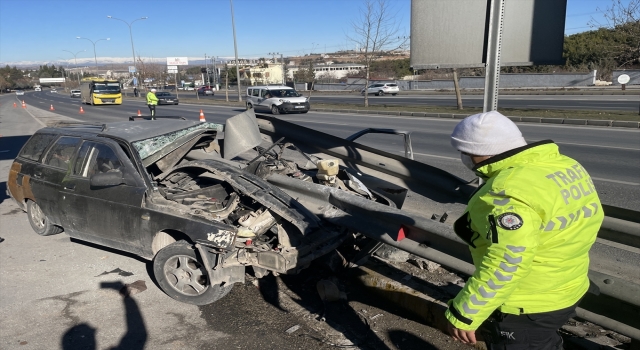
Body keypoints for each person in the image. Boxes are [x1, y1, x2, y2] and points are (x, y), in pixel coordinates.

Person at [445, 111, 604, 349]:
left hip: (528, 303)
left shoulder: (506, 193)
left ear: (476, 153)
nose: (463, 158)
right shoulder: (564, 165)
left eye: (463, 152)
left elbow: (507, 261)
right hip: (567, 284)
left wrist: (464, 313)